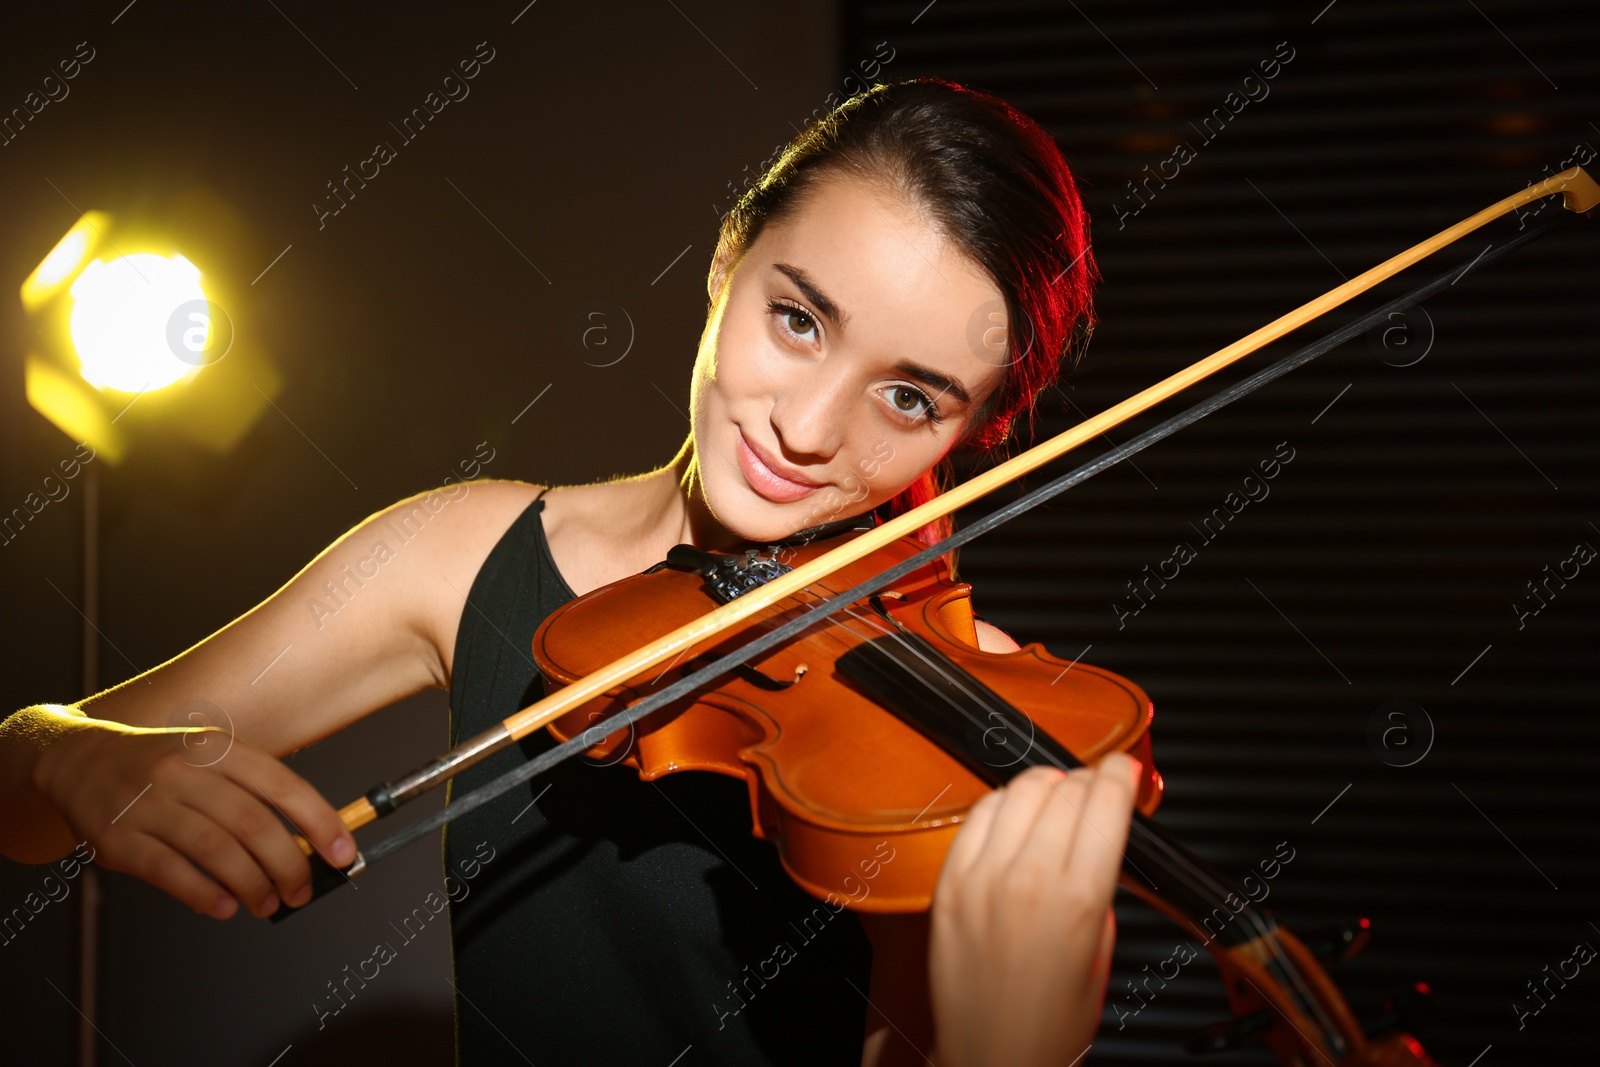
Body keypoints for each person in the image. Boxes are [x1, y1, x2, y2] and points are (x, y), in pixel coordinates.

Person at [0, 79, 1137, 1065]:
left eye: (909, 396)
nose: (806, 426)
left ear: (972, 433)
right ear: (726, 259)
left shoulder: (968, 732)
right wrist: (67, 757)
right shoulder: (459, 555)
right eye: (798, 319)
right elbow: (16, 800)